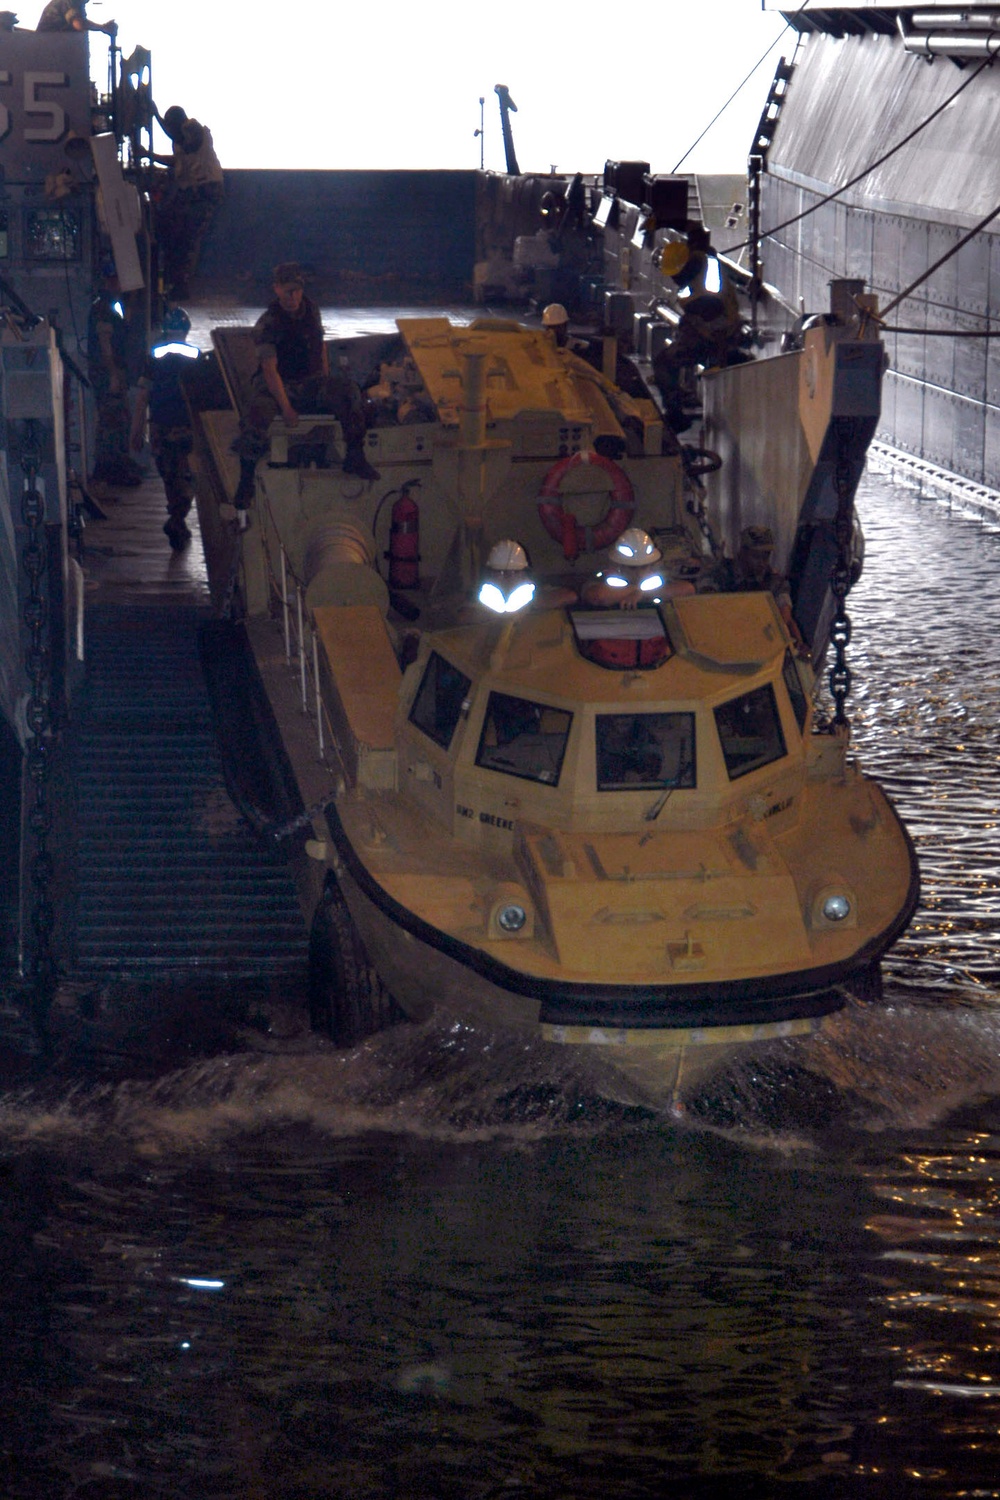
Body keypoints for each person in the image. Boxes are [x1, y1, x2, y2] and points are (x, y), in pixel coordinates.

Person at [233, 263, 378, 505]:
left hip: (308, 382)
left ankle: (355, 454)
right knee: (258, 413)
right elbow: (270, 371)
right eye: (288, 291)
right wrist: (286, 407)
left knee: (349, 391)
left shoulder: (311, 311)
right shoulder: (269, 323)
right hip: (280, 383)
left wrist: (325, 380)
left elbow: (320, 346)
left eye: (297, 291)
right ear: (277, 289)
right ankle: (245, 479)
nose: (293, 297)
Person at [130, 307, 200, 550]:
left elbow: (142, 397)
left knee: (169, 477)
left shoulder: (153, 356)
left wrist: (136, 431)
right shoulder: (195, 356)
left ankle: (176, 519)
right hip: (187, 428)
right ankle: (177, 519)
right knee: (187, 476)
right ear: (186, 330)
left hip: (160, 427)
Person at [151, 106, 224, 301]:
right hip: (192, 193)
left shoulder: (193, 128)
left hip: (206, 191)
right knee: (173, 232)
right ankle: (173, 282)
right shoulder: (179, 142)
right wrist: (150, 156)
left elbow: (187, 143)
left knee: (188, 238)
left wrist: (156, 117)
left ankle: (180, 284)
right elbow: (176, 161)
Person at [37, 0, 115, 31]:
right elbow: (78, 24)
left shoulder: (78, 6)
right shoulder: (67, 2)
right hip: (50, 50)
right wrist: (103, 28)